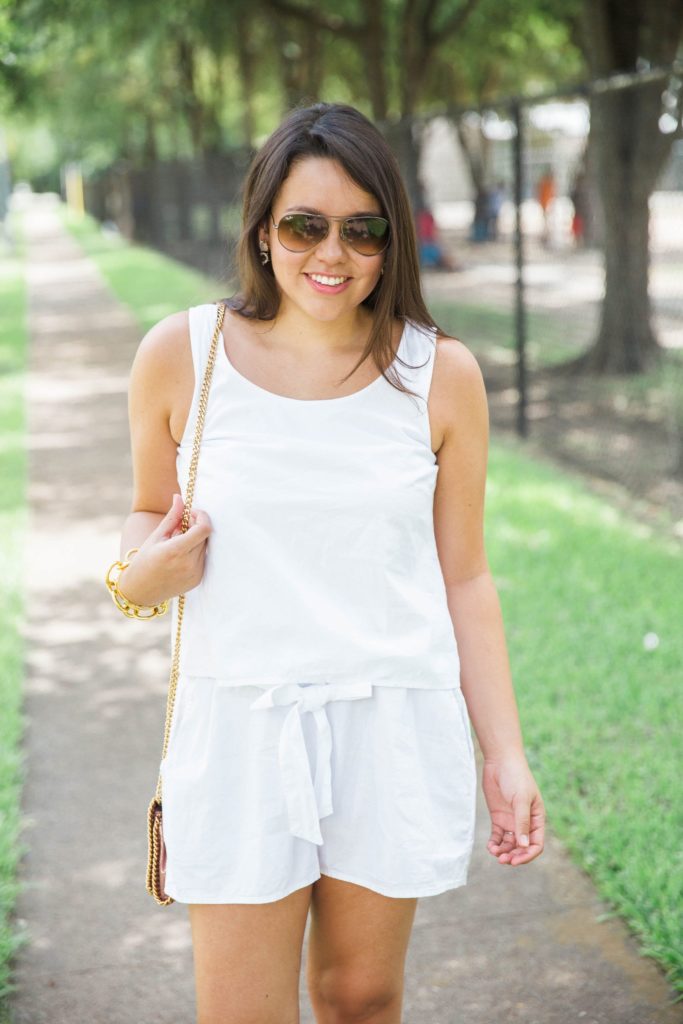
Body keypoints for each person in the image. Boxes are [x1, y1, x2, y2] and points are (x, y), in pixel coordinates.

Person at [110, 101, 546, 1023]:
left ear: (393, 240)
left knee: (360, 997)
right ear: (263, 232)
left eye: (362, 230)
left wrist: (504, 753)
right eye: (304, 225)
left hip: (389, 721)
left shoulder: (439, 374)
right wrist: (138, 580)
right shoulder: (183, 356)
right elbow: (150, 511)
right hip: (241, 726)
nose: (331, 254)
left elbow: (462, 574)